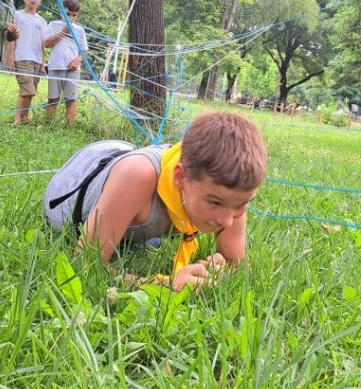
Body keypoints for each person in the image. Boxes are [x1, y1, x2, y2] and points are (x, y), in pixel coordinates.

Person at [43, 111, 267, 291]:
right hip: (75, 184)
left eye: (242, 204)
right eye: (215, 203)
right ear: (180, 177)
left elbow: (234, 261)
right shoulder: (136, 178)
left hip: (132, 174)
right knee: (134, 180)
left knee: (138, 242)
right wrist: (165, 282)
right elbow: (84, 267)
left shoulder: (232, 193)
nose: (228, 220)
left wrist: (218, 269)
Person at [12, 0, 62, 124]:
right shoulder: (17, 15)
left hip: (36, 60)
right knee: (27, 90)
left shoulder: (41, 21)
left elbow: (43, 43)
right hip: (21, 57)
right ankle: (17, 119)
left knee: (31, 91)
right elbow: (11, 39)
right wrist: (10, 58)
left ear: (40, 1)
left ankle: (25, 118)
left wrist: (42, 62)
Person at [45, 0, 88, 126]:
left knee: (71, 99)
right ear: (61, 11)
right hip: (55, 67)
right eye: (68, 14)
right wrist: (63, 31)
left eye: (74, 15)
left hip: (72, 70)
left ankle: (68, 126)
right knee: (53, 98)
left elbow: (84, 50)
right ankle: (49, 125)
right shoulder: (53, 25)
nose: (71, 18)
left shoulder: (80, 30)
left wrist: (78, 60)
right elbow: (47, 43)